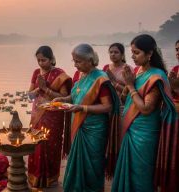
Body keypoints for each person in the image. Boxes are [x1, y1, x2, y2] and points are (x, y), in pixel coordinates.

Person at [112, 34, 178, 192]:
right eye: (132, 52)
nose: (133, 57)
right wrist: (125, 84)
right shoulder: (137, 71)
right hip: (130, 129)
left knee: (141, 175)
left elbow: (146, 109)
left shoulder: (156, 76)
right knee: (128, 172)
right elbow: (124, 98)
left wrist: (130, 85)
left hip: (145, 134)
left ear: (149, 54)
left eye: (137, 53)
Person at [53, 44, 120, 191]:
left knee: (93, 164)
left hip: (94, 129)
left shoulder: (100, 79)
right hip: (79, 125)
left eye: (78, 61)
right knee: (77, 161)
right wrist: (63, 100)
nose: (76, 65)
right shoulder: (82, 76)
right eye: (74, 61)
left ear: (90, 60)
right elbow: (76, 96)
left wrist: (82, 108)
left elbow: (107, 106)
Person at [27, 45, 72, 188]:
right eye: (39, 60)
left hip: (53, 116)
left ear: (52, 59)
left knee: (50, 145)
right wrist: (36, 90)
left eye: (44, 60)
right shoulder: (36, 73)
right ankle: (35, 177)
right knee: (36, 144)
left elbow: (64, 97)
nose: (41, 63)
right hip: (37, 113)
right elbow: (29, 95)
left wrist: (46, 88)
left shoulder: (60, 74)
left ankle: (50, 178)